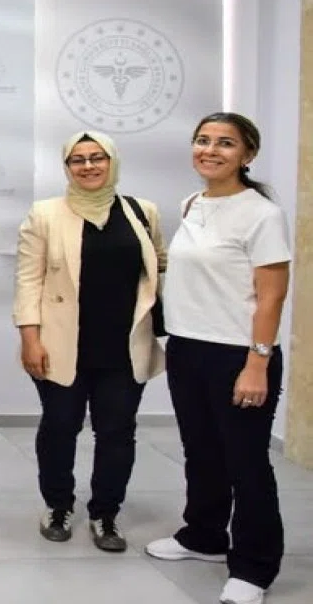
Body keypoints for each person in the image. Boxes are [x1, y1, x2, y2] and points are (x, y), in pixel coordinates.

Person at [145, 113, 290, 604]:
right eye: (202, 140)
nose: (210, 150)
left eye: (225, 143)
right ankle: (204, 536)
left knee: (246, 463)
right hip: (188, 347)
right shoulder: (192, 203)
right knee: (201, 452)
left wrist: (257, 363)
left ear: (248, 154)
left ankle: (254, 566)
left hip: (238, 354)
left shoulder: (262, 215)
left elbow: (271, 296)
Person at [13, 131, 166, 553]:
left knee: (117, 432)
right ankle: (58, 506)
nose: (88, 166)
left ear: (112, 161)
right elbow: (28, 280)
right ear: (67, 167)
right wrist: (29, 338)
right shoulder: (45, 214)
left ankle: (106, 513)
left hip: (124, 345)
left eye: (97, 157)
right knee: (60, 427)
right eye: (77, 160)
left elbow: (159, 266)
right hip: (61, 344)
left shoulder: (143, 211)